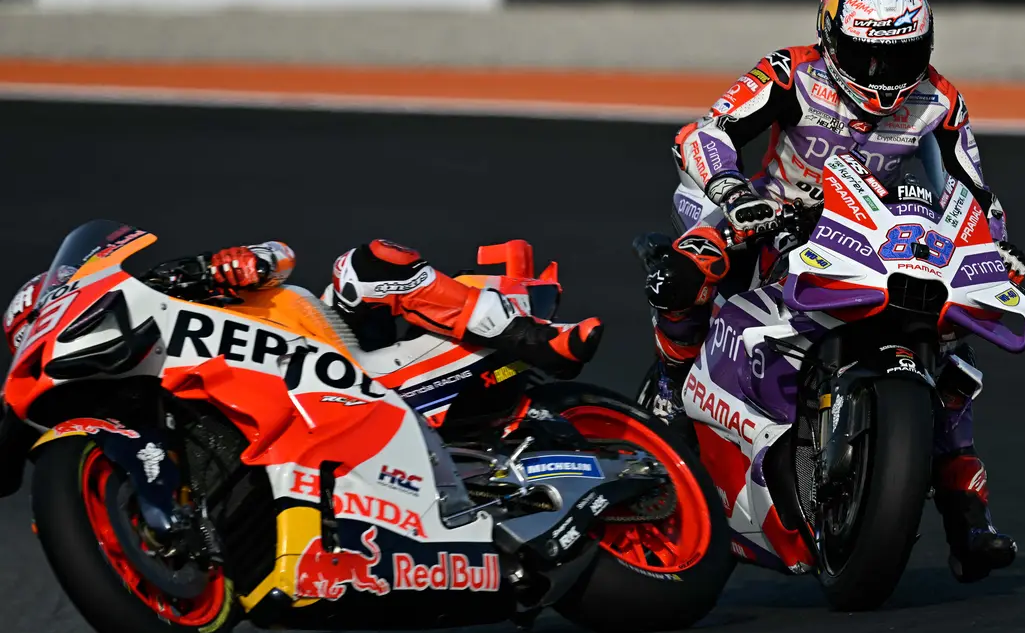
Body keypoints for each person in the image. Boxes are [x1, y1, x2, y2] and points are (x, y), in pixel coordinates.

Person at [645, 0, 1024, 581]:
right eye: (865, 55)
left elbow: (975, 191)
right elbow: (705, 132)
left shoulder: (940, 102)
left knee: (952, 348)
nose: (882, 75)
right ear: (830, 37)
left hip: (878, 242)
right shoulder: (790, 73)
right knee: (692, 264)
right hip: (772, 221)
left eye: (900, 57)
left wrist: (998, 246)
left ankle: (968, 517)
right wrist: (732, 193)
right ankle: (671, 382)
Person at [2, 240, 603, 380]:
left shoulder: (164, 293)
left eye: (49, 312)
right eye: (30, 329)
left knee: (366, 262)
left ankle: (530, 336)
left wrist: (242, 263)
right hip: (279, 423)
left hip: (343, 356)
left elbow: (282, 257)